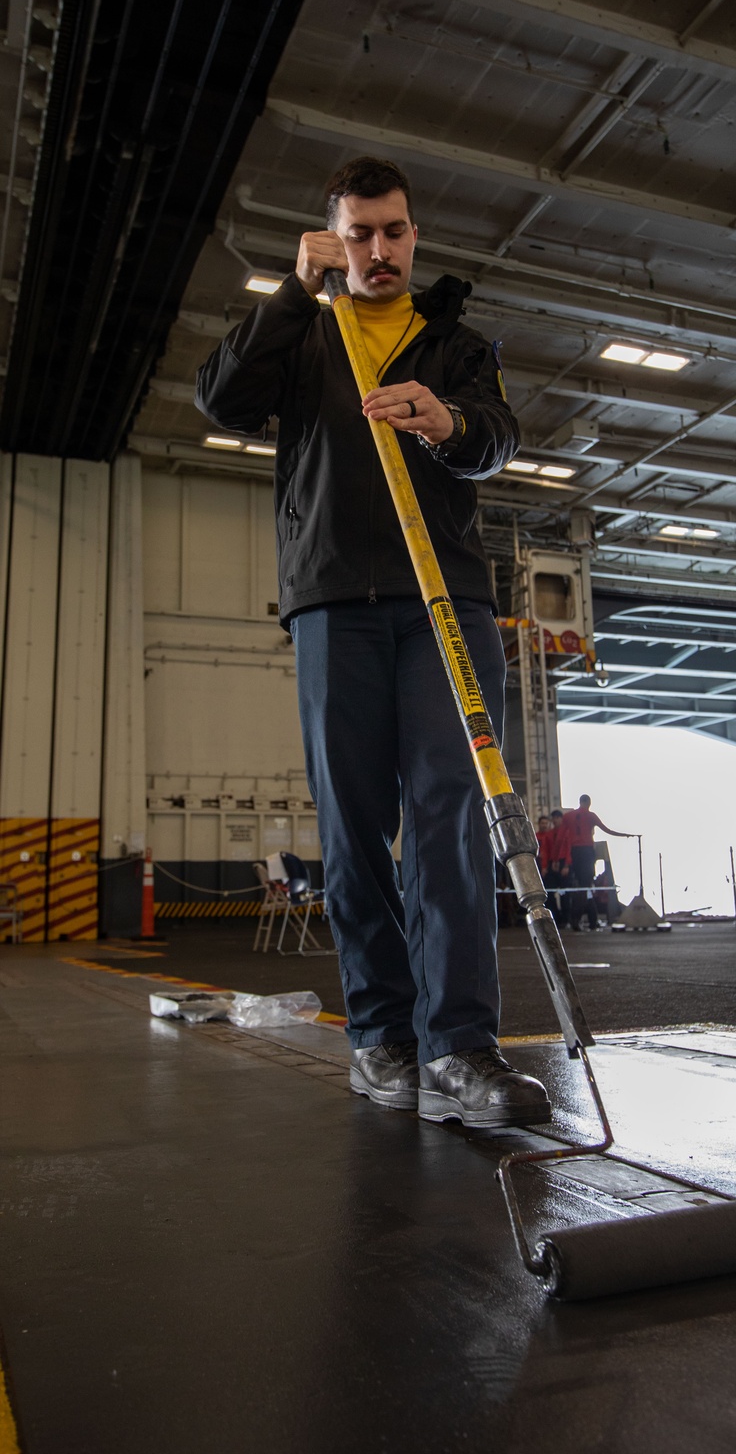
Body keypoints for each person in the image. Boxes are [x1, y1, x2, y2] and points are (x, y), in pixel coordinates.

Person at [195, 155, 550, 1129]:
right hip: (331, 602)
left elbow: (499, 434)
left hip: (447, 603)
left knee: (449, 820)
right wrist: (288, 292)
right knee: (354, 826)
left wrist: (449, 423)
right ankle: (382, 1037)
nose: (379, 251)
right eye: (360, 234)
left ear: (414, 234)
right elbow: (220, 399)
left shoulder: (457, 345)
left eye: (393, 232)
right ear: (331, 238)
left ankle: (462, 1049)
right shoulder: (307, 336)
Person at [561, 794, 634, 930]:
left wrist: (562, 859)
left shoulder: (568, 816)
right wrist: (625, 835)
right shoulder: (590, 816)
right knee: (586, 886)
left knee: (581, 886)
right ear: (588, 803)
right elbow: (607, 829)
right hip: (587, 852)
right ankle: (576, 919)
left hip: (574, 853)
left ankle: (590, 919)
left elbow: (561, 837)